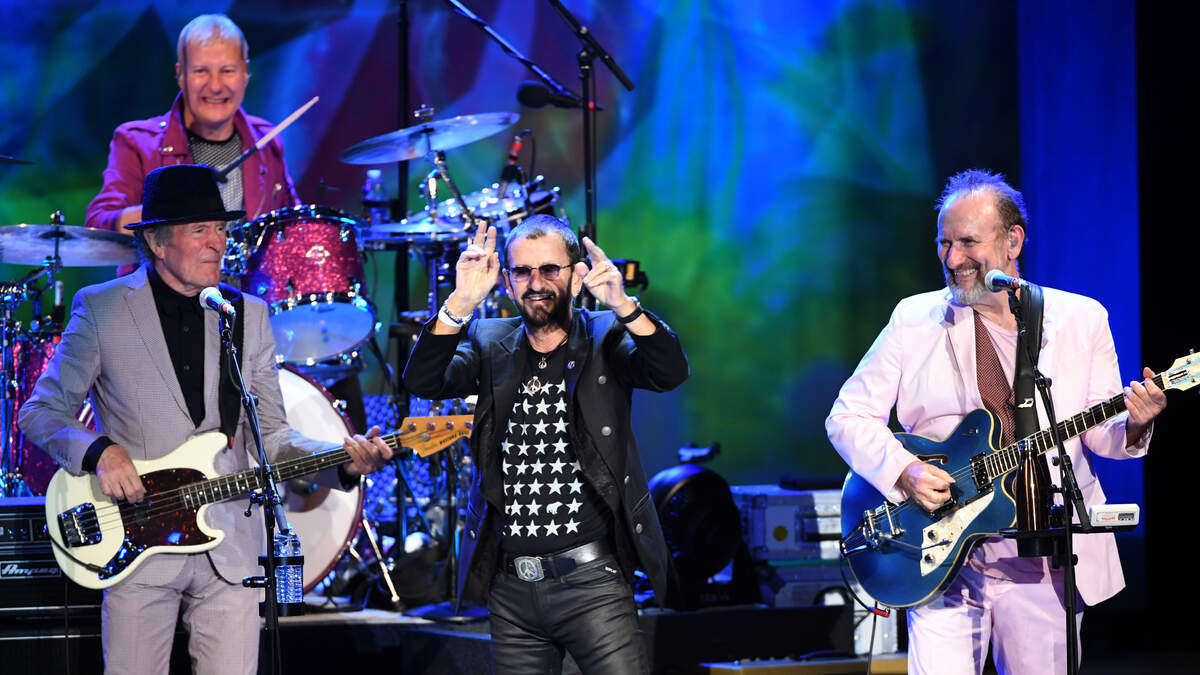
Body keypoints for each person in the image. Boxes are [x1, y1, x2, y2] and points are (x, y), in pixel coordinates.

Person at [19, 164, 393, 675]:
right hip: (138, 539)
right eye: (200, 230)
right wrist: (99, 452)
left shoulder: (247, 314)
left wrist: (342, 462)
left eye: (220, 228)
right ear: (157, 241)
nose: (218, 242)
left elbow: (271, 437)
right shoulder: (103, 308)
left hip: (230, 546)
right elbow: (41, 411)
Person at [825, 169, 1166, 674]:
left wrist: (1135, 424)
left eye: (968, 242)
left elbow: (1101, 435)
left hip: (1042, 562)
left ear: (1013, 242)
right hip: (937, 557)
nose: (953, 259)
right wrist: (905, 472)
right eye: (944, 243)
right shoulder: (913, 319)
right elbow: (847, 416)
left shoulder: (1081, 319)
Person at [403, 214, 689, 673]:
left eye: (550, 269)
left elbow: (670, 372)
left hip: (593, 585)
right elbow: (423, 380)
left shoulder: (606, 334)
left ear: (576, 277)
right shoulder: (489, 341)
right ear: (508, 282)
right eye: (522, 271)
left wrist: (625, 306)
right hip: (512, 593)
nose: (536, 283)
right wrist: (460, 303)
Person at [84, 13, 295, 232]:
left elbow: (295, 228)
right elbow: (98, 224)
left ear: (245, 74)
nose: (215, 86)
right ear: (181, 75)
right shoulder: (137, 142)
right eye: (201, 71)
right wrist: (164, 212)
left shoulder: (267, 140)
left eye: (227, 71)